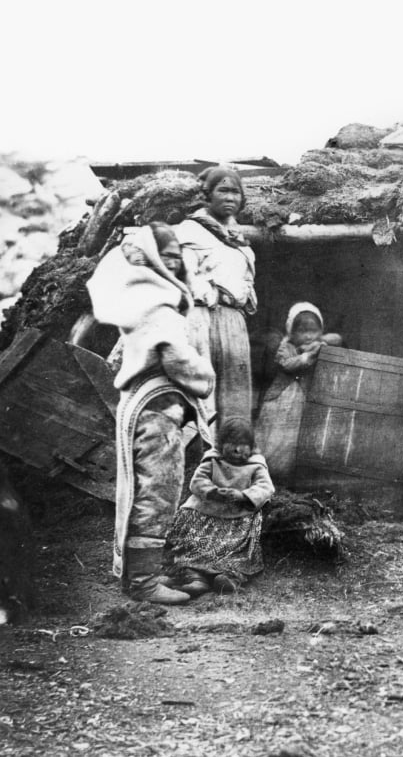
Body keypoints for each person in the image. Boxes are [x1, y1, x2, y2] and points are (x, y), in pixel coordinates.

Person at [87, 223, 215, 604]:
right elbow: (174, 355)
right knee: (156, 489)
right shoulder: (156, 304)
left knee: (153, 487)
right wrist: (204, 375)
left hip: (152, 405)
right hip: (155, 408)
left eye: (178, 256)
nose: (175, 263)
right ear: (152, 258)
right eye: (168, 256)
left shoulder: (146, 294)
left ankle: (147, 573)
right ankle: (143, 582)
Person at [174, 166, 257, 436]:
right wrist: (214, 294)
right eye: (223, 190)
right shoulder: (191, 230)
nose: (230, 197)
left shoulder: (240, 240)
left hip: (234, 321)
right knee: (201, 388)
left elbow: (247, 282)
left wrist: (240, 295)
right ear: (207, 195)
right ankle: (199, 455)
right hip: (202, 317)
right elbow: (185, 275)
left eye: (235, 192)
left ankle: (231, 457)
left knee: (235, 391)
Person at [167, 417, 275, 596]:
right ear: (221, 443)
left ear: (251, 446)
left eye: (242, 444)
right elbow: (197, 482)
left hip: (237, 517)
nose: (237, 449)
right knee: (194, 542)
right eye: (231, 443)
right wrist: (211, 491)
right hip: (207, 513)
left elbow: (266, 488)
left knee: (234, 549)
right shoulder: (212, 459)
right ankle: (194, 577)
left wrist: (243, 495)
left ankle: (227, 577)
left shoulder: (256, 465)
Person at [255, 302, 343, 480]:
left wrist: (321, 343)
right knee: (277, 435)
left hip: (304, 398)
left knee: (297, 438)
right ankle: (268, 472)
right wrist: (307, 356)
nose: (309, 336)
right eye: (303, 331)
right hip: (281, 399)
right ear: (292, 332)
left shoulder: (319, 345)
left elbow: (338, 338)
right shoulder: (285, 346)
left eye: (314, 331)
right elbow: (288, 364)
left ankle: (290, 475)